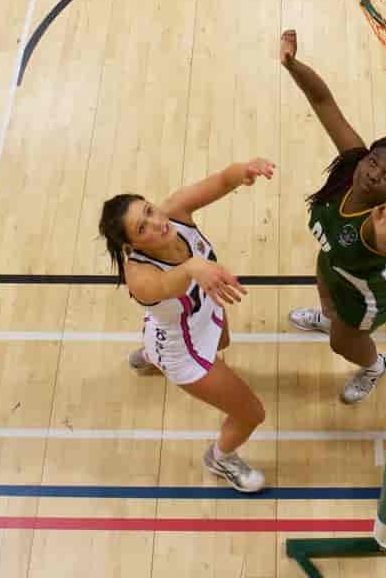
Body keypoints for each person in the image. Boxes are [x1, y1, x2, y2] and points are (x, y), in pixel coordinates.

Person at [98, 158, 275, 492]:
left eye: (148, 211)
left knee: (222, 343)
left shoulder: (174, 211)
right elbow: (168, 286)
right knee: (252, 413)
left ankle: (150, 356)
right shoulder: (140, 278)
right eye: (141, 228)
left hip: (196, 316)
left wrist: (243, 173)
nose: (155, 222)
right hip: (184, 353)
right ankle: (220, 459)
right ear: (130, 246)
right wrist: (194, 266)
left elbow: (221, 180)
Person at [280, 28, 386, 403]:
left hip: (372, 291)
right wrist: (293, 64)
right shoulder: (351, 164)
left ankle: (376, 365)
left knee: (343, 342)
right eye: (374, 162)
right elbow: (323, 101)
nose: (374, 174)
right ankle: (328, 317)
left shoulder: (379, 221)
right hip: (339, 264)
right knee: (325, 271)